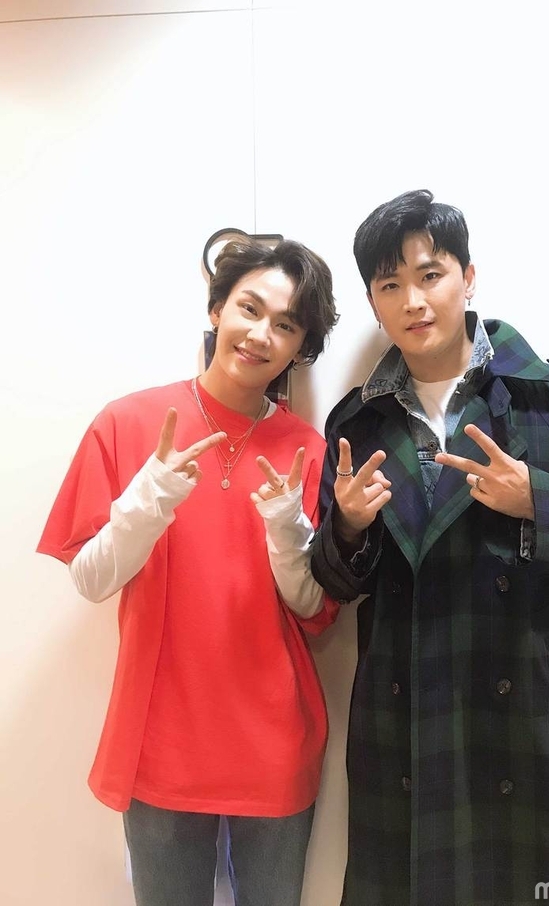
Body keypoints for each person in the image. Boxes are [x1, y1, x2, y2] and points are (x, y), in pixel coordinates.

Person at [310, 189, 549, 906]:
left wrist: (539, 500)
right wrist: (346, 529)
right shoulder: (358, 424)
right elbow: (335, 582)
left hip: (529, 700)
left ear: (468, 278)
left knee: (536, 875)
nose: (413, 300)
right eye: (390, 285)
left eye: (430, 275)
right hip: (409, 712)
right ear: (373, 302)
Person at [37, 236, 339, 906]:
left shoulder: (306, 450)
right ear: (216, 308)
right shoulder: (129, 422)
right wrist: (149, 499)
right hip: (160, 743)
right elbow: (91, 580)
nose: (260, 335)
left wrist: (286, 526)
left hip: (274, 741)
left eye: (286, 325)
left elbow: (314, 608)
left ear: (301, 348)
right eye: (249, 308)